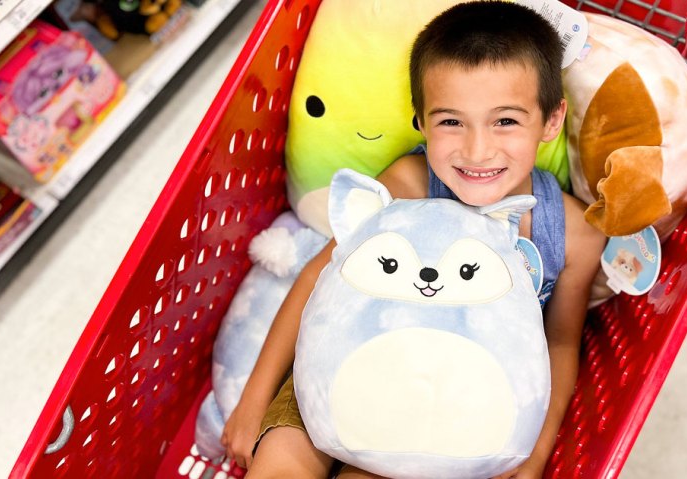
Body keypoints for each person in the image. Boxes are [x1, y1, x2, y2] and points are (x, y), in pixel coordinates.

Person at [223, 2, 606, 477]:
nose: (477, 149)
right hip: (348, 364)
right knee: (281, 461)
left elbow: (562, 343)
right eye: (451, 121)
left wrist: (536, 454)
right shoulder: (408, 183)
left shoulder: (575, 234)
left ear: (551, 121)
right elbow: (318, 276)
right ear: (421, 122)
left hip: (452, 405)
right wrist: (252, 401)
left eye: (505, 121)